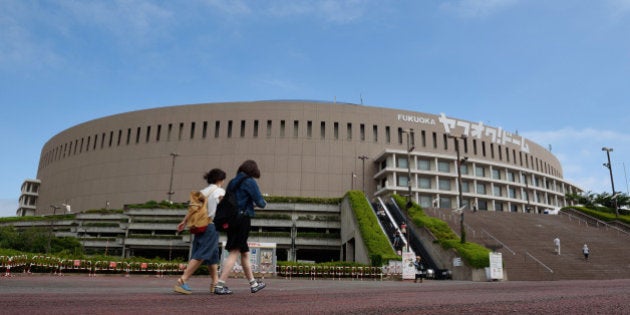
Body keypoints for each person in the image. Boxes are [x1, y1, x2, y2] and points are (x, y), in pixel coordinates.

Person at [214, 160, 267, 295]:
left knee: (244, 252)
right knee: (234, 251)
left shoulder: (232, 182)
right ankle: (220, 285)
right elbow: (260, 202)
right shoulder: (249, 182)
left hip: (231, 220)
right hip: (242, 219)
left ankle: (253, 284)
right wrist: (263, 201)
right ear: (252, 170)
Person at [174, 168, 226, 295]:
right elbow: (225, 206)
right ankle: (182, 280)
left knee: (212, 254)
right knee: (201, 253)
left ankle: (215, 283)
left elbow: (193, 209)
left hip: (199, 225)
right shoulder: (219, 191)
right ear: (220, 179)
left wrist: (184, 221)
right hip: (211, 225)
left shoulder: (203, 192)